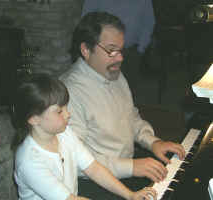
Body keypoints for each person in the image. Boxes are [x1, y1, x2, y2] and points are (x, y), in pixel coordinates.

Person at [59, 12, 186, 199]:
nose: (120, 58)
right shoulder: (68, 93)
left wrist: (153, 142)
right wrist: (132, 167)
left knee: (178, 184)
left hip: (126, 169)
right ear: (86, 50)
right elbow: (74, 161)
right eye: (111, 51)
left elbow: (131, 116)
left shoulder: (114, 73)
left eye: (121, 50)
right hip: (93, 183)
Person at [11, 73, 157, 200]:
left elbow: (93, 168)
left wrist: (130, 195)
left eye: (66, 107)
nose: (68, 114)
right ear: (34, 119)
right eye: (59, 111)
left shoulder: (64, 133)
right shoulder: (29, 161)